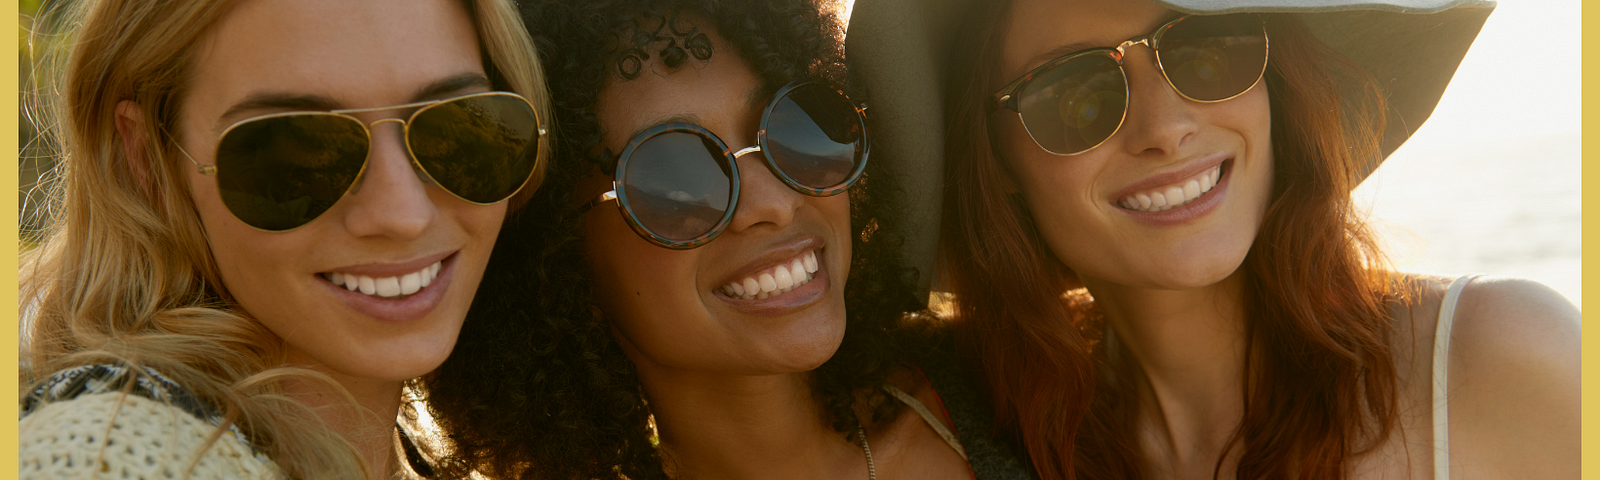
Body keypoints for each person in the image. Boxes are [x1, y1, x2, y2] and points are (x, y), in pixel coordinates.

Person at [849, 0, 1580, 478]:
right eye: (1074, 94)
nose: (1166, 129)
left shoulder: (1506, 364)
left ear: (1273, 79)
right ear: (994, 159)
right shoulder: (979, 437)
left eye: (1203, 50)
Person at [419, 1, 1034, 479]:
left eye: (795, 127)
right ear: (556, 255)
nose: (771, 202)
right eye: (676, 176)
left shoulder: (1015, 385)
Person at [18, 0, 550, 477]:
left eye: (460, 128)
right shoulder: (108, 453)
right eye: (294, 151)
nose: (402, 214)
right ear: (147, 161)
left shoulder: (437, 451)